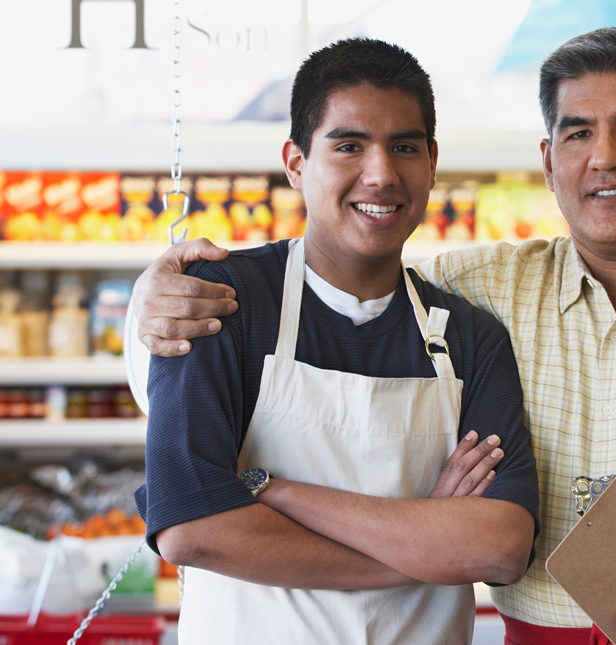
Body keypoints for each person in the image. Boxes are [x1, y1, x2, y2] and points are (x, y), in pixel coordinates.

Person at [132, 28, 616, 645]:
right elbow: (354, 262)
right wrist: (152, 300)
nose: (604, 158)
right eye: (577, 133)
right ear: (548, 162)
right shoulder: (482, 289)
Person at [133, 38, 539, 644]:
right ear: (296, 162)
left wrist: (270, 489)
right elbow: (193, 528)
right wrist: (425, 547)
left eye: (403, 147)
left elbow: (500, 548)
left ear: (431, 161)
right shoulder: (223, 303)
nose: (380, 173)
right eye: (348, 145)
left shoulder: (469, 335)